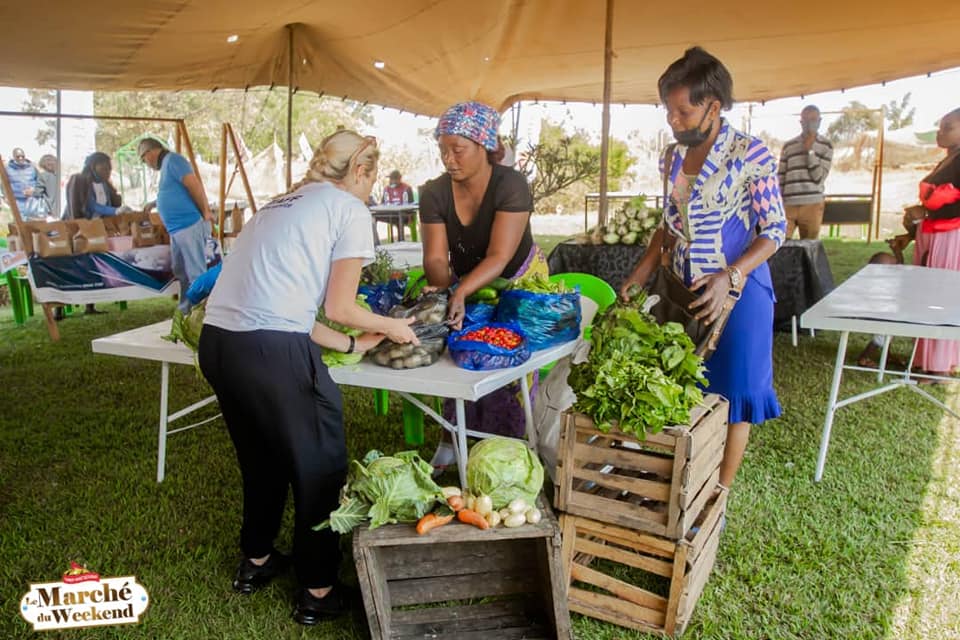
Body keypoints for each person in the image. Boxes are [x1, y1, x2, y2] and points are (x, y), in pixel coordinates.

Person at [199, 130, 417, 625]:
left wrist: (348, 344)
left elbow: (287, 306)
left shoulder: (278, 206)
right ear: (361, 172)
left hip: (220, 343)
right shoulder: (349, 210)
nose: (372, 188)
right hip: (272, 350)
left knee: (262, 458)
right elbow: (340, 305)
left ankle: (255, 561)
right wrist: (390, 325)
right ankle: (318, 591)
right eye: (372, 178)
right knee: (319, 465)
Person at [620, 47, 786, 492]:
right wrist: (639, 275)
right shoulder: (671, 158)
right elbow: (667, 227)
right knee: (683, 388)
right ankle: (682, 483)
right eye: (668, 110)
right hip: (682, 291)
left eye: (682, 110)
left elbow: (775, 230)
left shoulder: (751, 154)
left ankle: (718, 494)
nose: (673, 120)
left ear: (713, 105)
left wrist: (730, 276)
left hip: (738, 296)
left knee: (733, 395)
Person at [419, 100, 546, 470]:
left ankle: (512, 446)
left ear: (486, 147)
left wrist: (460, 291)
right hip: (464, 281)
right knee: (458, 352)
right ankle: (451, 437)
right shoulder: (434, 193)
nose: (448, 159)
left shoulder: (512, 184)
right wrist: (446, 297)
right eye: (442, 149)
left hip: (519, 280)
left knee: (509, 363)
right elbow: (436, 259)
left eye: (457, 149)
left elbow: (500, 256)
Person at [911, 107, 960, 379]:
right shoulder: (949, 159)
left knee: (940, 296)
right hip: (932, 232)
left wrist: (927, 212)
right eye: (941, 126)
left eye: (948, 127)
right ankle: (926, 360)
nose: (941, 133)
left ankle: (937, 365)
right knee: (927, 294)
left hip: (950, 235)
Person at [138, 137, 213, 314]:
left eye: (143, 158)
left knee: (196, 272)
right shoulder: (166, 166)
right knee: (182, 272)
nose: (145, 163)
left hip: (189, 225)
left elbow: (194, 185)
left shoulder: (174, 160)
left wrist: (206, 211)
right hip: (177, 229)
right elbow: (173, 192)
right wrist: (154, 203)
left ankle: (204, 314)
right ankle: (187, 310)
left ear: (150, 152)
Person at [777, 105, 833, 239]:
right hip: (788, 204)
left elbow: (819, 177)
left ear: (820, 121)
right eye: (805, 120)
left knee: (809, 248)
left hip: (811, 205)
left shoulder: (826, 145)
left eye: (813, 120)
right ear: (800, 122)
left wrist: (810, 151)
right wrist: (778, 201)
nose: (809, 124)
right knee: (780, 245)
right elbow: (781, 176)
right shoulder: (789, 145)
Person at [853, 252, 906, 368]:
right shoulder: (880, 285)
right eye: (893, 265)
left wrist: (898, 250)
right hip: (878, 314)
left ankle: (887, 355)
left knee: (888, 332)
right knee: (882, 336)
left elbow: (901, 266)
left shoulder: (880, 280)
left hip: (883, 313)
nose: (897, 267)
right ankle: (864, 358)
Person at [63, 152, 127, 220]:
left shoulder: (105, 184)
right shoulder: (80, 181)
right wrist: (114, 211)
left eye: (109, 169)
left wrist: (119, 209)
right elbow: (91, 206)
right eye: (104, 169)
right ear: (93, 167)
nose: (108, 172)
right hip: (81, 225)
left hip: (100, 223)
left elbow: (109, 204)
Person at [7, 148, 47, 220]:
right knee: (20, 224)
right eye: (18, 156)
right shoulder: (8, 169)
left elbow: (40, 182)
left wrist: (34, 190)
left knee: (34, 224)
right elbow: (3, 186)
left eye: (22, 156)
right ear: (14, 157)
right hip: (17, 202)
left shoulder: (32, 168)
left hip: (32, 201)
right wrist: (6, 198)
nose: (20, 158)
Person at [36, 154, 60, 219]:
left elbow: (37, 193)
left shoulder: (43, 176)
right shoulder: (59, 176)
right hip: (60, 208)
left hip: (49, 209)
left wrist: (30, 192)